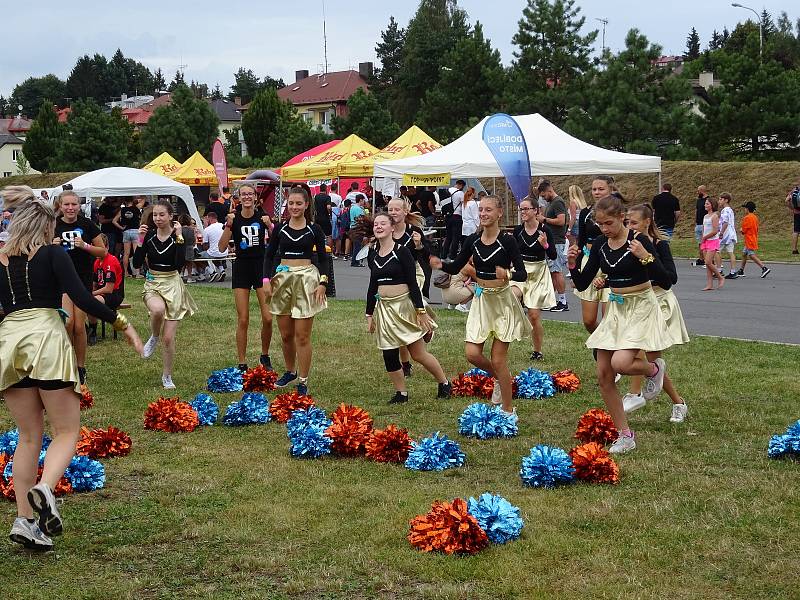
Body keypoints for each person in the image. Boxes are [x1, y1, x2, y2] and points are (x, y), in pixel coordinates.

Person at [0, 187, 142, 551]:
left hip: (9, 341)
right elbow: (81, 297)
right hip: (46, 338)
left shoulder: (1, 258)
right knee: (66, 431)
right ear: (44, 225)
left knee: (28, 436)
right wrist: (122, 323)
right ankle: (44, 490)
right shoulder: (52, 253)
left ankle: (24, 522)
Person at [567, 194, 673, 453]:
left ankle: (653, 371)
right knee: (604, 375)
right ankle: (625, 435)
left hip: (641, 307)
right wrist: (572, 265)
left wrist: (646, 257)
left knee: (621, 363)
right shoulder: (602, 244)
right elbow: (583, 283)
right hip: (617, 310)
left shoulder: (639, 240)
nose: (604, 229)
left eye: (609, 223)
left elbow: (667, 280)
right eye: (600, 225)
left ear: (622, 218)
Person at [431, 195, 531, 420]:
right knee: (472, 354)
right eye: (481, 210)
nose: (484, 214)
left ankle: (507, 409)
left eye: (488, 210)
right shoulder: (473, 241)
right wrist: (439, 263)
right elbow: (457, 264)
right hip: (481, 300)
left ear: (499, 213)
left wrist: (507, 274)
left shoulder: (508, 241)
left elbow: (522, 273)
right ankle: (501, 378)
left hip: (503, 303)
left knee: (498, 359)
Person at [366, 213, 451, 404]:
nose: (378, 227)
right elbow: (373, 284)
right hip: (385, 310)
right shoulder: (373, 253)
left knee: (418, 354)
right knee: (389, 353)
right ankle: (401, 393)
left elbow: (413, 283)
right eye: (376, 224)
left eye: (383, 224)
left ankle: (444, 383)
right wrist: (369, 313)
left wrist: (420, 311)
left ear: (391, 228)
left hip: (404, 307)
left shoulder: (401, 251)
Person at [621, 205, 688, 423]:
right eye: (627, 223)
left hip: (660, 303)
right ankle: (678, 403)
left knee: (641, 350)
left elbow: (671, 278)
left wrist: (648, 262)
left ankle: (635, 394)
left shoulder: (660, 245)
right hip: (639, 303)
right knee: (652, 361)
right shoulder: (628, 245)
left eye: (633, 223)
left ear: (647, 222)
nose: (629, 227)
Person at [262, 186, 329, 395]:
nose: (294, 207)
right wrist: (266, 279)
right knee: (285, 334)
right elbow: (269, 255)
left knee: (302, 336)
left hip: (306, 280)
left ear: (306, 204)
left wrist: (322, 282)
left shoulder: (314, 229)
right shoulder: (280, 228)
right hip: (282, 281)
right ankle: (290, 371)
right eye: (291, 203)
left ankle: (303, 379)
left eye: (299, 203)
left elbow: (324, 258)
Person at [133, 200, 197, 389]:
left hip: (173, 284)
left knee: (168, 338)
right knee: (158, 310)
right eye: (155, 215)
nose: (158, 218)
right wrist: (140, 240)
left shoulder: (178, 236)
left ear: (171, 216)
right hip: (153, 283)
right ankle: (153, 336)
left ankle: (167, 376)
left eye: (162, 215)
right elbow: (136, 264)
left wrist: (178, 238)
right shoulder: (150, 236)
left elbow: (179, 265)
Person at [218, 184, 274, 372]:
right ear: (238, 198)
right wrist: (229, 225)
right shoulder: (234, 219)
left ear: (256, 198)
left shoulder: (262, 217)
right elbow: (221, 247)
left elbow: (277, 242)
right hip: (242, 267)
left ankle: (264, 355)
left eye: (250, 194)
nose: (247, 197)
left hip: (260, 267)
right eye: (243, 194)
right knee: (243, 319)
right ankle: (242, 362)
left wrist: (269, 225)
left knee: (268, 317)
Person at [54, 190, 107, 385]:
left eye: (73, 204)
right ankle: (65, 363)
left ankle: (80, 367)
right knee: (67, 323)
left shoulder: (87, 225)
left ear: (79, 205)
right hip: (61, 280)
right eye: (66, 204)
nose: (70, 208)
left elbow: (102, 252)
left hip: (83, 279)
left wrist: (85, 245)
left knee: (78, 326)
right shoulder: (53, 226)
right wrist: (52, 245)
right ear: (60, 206)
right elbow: (39, 250)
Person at [510, 199, 557, 361]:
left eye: (526, 209)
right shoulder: (518, 230)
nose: (522, 212)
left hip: (538, 273)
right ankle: (513, 331)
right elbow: (512, 253)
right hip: (521, 270)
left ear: (536, 210)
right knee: (511, 295)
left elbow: (553, 255)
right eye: (520, 209)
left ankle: (537, 351)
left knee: (534, 315)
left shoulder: (545, 230)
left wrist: (545, 245)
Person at [574, 177, 612, 333]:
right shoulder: (585, 212)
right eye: (594, 189)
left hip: (610, 263)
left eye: (601, 189)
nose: (597, 192)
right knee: (589, 321)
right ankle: (600, 343)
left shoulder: (618, 212)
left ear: (610, 189)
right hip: (589, 262)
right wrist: (576, 270)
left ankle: (607, 350)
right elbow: (580, 242)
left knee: (609, 319)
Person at [87, 234, 125, 344]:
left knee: (91, 302)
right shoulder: (97, 262)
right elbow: (94, 283)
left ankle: (92, 332)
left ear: (107, 247)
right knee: (82, 300)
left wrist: (92, 294)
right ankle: (87, 328)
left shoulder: (111, 261)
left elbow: (109, 289)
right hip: (101, 293)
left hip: (114, 294)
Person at [539, 180, 569, 312]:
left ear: (549, 190)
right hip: (552, 241)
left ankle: (563, 301)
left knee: (556, 271)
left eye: (544, 195)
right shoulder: (552, 203)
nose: (544, 198)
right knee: (552, 271)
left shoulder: (558, 202)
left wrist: (544, 219)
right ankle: (552, 299)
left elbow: (561, 221)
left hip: (557, 241)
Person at [738, 202, 770, 278]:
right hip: (753, 238)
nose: (744, 210)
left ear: (747, 209)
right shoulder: (755, 217)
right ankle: (741, 270)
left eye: (745, 208)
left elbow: (743, 231)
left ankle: (764, 268)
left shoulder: (747, 218)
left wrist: (741, 230)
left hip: (749, 239)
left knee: (751, 255)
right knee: (744, 254)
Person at [112, 197, 142, 278]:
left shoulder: (122, 210)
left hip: (126, 232)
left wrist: (121, 228)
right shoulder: (136, 208)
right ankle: (137, 273)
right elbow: (143, 199)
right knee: (136, 252)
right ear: (132, 200)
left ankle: (125, 273)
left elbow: (114, 221)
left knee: (126, 253)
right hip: (135, 231)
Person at [700, 196, 724, 291]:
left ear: (712, 205)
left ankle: (720, 277)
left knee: (708, 262)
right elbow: (704, 228)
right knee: (708, 264)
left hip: (713, 241)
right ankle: (709, 284)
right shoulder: (705, 216)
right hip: (705, 241)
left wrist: (705, 237)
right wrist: (703, 237)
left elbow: (715, 231)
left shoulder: (715, 216)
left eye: (707, 204)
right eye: (705, 203)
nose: (705, 205)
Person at [199, 211, 229, 282]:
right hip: (225, 252)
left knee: (196, 257)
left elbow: (205, 246)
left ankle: (211, 272)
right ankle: (222, 271)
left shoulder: (207, 229)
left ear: (209, 219)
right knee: (214, 253)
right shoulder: (223, 226)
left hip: (214, 253)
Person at [442, 179, 465, 260]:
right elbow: (464, 205)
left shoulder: (447, 191)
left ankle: (443, 255)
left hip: (447, 217)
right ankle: (452, 256)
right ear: (461, 185)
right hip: (457, 216)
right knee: (456, 237)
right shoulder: (460, 193)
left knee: (448, 237)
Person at [718, 193, 739, 279]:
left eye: (720, 199)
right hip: (731, 234)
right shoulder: (730, 210)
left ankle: (719, 270)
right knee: (731, 252)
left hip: (725, 234)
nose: (719, 201)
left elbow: (725, 222)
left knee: (716, 251)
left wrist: (721, 233)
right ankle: (733, 271)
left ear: (726, 200)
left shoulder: (725, 210)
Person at [348, 195, 366, 267]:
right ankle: (356, 261)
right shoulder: (359, 209)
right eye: (363, 200)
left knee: (355, 246)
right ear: (360, 200)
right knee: (358, 246)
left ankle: (354, 260)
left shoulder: (352, 208)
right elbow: (361, 219)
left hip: (352, 227)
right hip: (358, 228)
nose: (364, 202)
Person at [694, 185, 710, 266]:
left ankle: (707, 259)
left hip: (705, 224)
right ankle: (701, 258)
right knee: (700, 242)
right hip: (699, 223)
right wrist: (695, 221)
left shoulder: (708, 200)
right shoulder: (699, 200)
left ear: (702, 190)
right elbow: (697, 210)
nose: (697, 192)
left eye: (698, 190)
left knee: (705, 242)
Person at [313, 184, 333, 248]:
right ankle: (330, 252)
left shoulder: (316, 197)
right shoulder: (327, 197)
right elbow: (329, 207)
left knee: (317, 235)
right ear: (326, 189)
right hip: (325, 218)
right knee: (328, 235)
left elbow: (314, 207)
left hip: (317, 218)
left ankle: (317, 250)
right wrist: (329, 213)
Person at [785, 181, 800, 255]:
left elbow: (786, 200)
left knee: (796, 231)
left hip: (797, 213)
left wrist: (792, 208)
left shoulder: (794, 190)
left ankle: (794, 250)